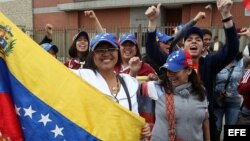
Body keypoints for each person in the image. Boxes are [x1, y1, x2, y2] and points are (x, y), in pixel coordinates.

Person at [145, 1, 239, 140]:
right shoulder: (172, 62)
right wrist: (152, 23)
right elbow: (152, 51)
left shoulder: (210, 63)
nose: (193, 41)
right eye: (189, 39)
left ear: (203, 47)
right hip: (177, 122)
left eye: (198, 40)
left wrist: (226, 15)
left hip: (205, 121)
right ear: (183, 46)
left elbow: (231, 49)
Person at [71, 33, 151, 139]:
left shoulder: (128, 82)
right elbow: (52, 71)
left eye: (111, 48)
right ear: (92, 55)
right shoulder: (82, 76)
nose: (106, 53)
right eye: (100, 50)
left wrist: (142, 128)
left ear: (117, 52)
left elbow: (134, 117)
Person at [140, 50, 210, 141]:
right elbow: (128, 90)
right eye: (168, 70)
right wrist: (133, 72)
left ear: (189, 70)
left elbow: (205, 119)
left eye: (174, 70)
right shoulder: (158, 88)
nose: (170, 74)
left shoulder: (201, 91)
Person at [145, 3, 206, 75]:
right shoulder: (171, 60)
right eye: (165, 43)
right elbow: (151, 47)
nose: (169, 45)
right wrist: (152, 22)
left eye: (198, 40)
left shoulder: (208, 62)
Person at [213, 52, 244, 139]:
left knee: (232, 130)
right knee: (217, 128)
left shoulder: (241, 62)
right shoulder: (217, 63)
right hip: (218, 101)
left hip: (234, 102)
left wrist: (248, 37)